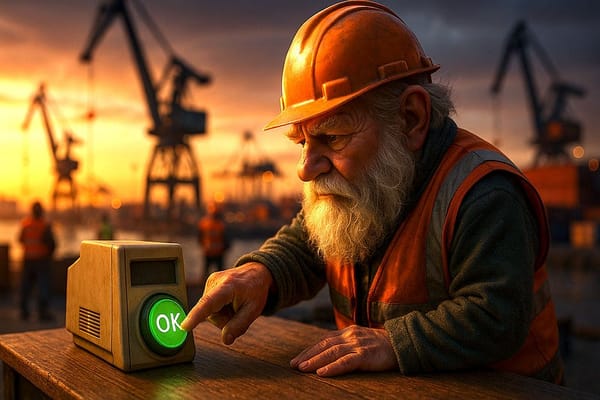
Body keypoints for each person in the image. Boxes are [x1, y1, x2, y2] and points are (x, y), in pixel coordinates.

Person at [181, 1, 563, 384]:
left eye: (332, 137)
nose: (304, 168)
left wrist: (394, 343)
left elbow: (497, 316)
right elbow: (308, 240)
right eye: (301, 143)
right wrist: (260, 272)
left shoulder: (483, 194)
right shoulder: (371, 182)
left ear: (411, 119)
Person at [18, 201, 56, 321]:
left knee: (26, 287)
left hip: (28, 259)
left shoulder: (25, 224)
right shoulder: (45, 225)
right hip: (41, 261)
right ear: (42, 211)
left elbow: (20, 239)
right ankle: (42, 313)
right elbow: (52, 244)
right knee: (43, 286)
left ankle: (24, 311)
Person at [197, 202, 229, 274]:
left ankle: (203, 283)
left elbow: (199, 238)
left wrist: (204, 246)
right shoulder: (221, 224)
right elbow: (227, 240)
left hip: (211, 252)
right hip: (215, 253)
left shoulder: (203, 223)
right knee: (220, 274)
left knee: (206, 273)